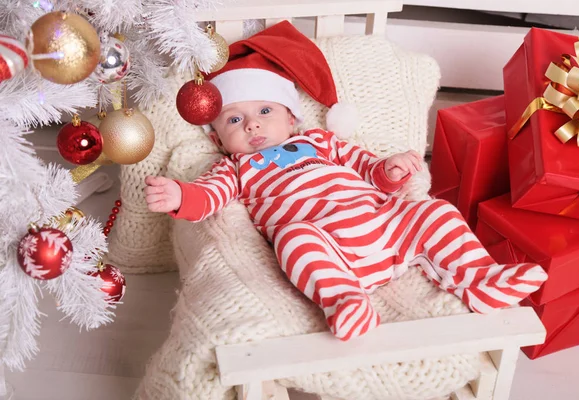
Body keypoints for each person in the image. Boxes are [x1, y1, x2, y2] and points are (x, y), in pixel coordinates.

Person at [144, 21, 548, 341]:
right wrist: (181, 196)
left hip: (383, 226)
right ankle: (345, 301)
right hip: (328, 247)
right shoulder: (235, 168)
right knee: (293, 239)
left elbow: (367, 166)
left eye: (265, 109)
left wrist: (390, 170)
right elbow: (209, 197)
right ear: (217, 139)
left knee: (434, 212)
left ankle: (479, 279)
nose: (252, 123)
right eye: (234, 119)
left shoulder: (320, 141)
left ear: (290, 118)